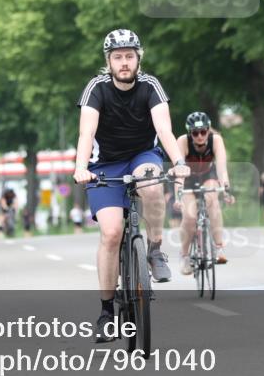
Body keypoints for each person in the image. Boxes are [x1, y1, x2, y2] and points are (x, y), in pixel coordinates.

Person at [73, 29, 189, 344]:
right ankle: (106, 312)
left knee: (151, 184)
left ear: (139, 58)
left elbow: (164, 128)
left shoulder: (150, 86)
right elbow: (86, 134)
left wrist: (178, 161)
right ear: (108, 61)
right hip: (104, 165)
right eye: (117, 57)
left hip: (142, 155)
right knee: (111, 233)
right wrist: (81, 168)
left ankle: (153, 249)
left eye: (129, 56)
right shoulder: (96, 89)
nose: (124, 63)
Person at [173, 111, 235, 275]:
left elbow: (222, 169)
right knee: (190, 217)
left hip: (208, 175)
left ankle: (219, 247)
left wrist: (226, 189)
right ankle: (185, 256)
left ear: (208, 130)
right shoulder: (183, 142)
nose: (200, 136)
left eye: (203, 132)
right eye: (195, 133)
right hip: (187, 178)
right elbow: (179, 173)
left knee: (213, 202)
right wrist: (178, 194)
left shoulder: (216, 140)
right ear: (189, 133)